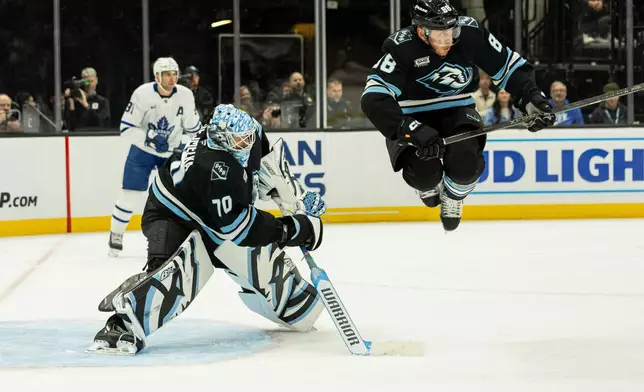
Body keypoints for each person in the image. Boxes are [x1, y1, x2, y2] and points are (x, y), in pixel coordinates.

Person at [88, 104, 325, 355]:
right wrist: (290, 230)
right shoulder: (215, 168)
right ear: (222, 140)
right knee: (178, 272)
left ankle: (296, 304)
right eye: (240, 141)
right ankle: (123, 324)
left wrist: (297, 201)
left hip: (207, 210)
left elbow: (272, 167)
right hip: (171, 214)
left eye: (247, 138)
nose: (247, 143)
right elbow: (240, 228)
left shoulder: (247, 133)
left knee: (261, 260)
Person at [361, 0, 555, 231]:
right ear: (421, 31)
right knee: (425, 174)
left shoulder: (470, 33)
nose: (448, 41)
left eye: (451, 32)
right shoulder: (401, 47)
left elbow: (508, 66)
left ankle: (453, 197)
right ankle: (426, 184)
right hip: (412, 113)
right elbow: (372, 98)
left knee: (466, 166)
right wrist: (408, 128)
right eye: (439, 35)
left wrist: (531, 97)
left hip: (457, 107)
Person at [108, 57, 202, 257]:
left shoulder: (185, 95)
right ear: (157, 76)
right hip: (143, 151)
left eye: (174, 74)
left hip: (170, 153)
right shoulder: (142, 94)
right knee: (130, 195)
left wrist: (184, 143)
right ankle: (116, 234)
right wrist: (149, 138)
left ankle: (178, 237)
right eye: (167, 74)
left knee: (178, 196)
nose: (172, 78)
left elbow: (194, 128)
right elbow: (125, 128)